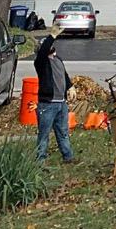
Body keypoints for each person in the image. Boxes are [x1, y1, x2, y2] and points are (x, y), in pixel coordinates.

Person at [33, 34, 76, 164]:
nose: (49, 47)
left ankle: (68, 157)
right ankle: (40, 160)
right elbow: (44, 50)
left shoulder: (58, 60)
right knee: (44, 135)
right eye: (46, 46)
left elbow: (64, 75)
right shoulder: (41, 63)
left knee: (62, 132)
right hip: (47, 105)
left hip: (61, 104)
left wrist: (70, 86)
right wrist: (52, 35)